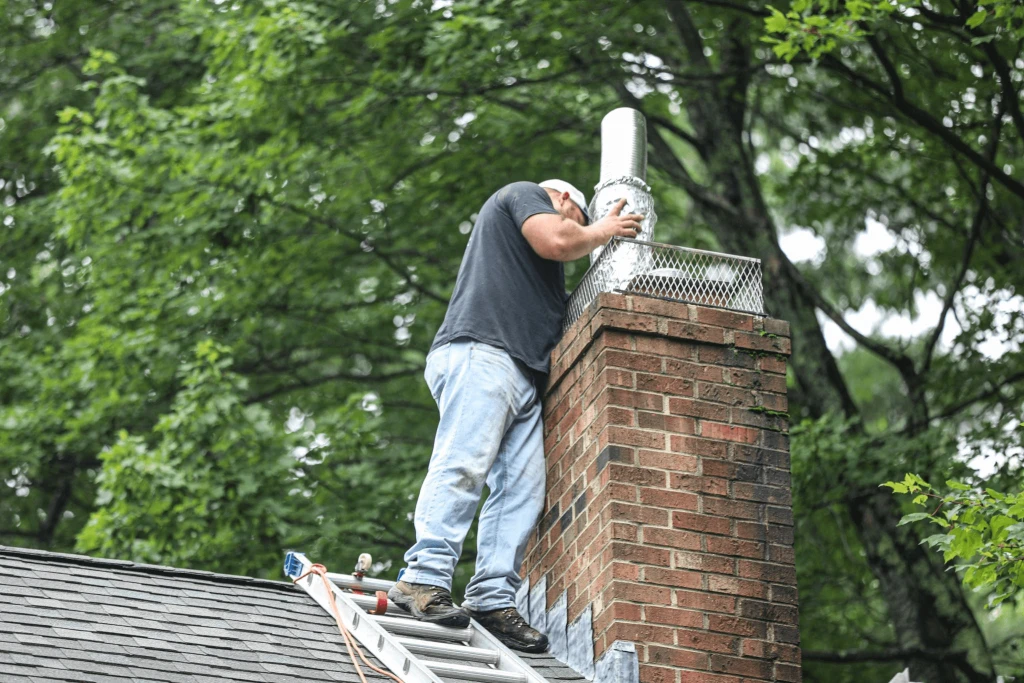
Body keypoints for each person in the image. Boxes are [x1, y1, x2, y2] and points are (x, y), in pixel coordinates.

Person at [387, 179, 644, 652]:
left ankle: (490, 597)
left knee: (522, 493)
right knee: (463, 464)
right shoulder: (523, 194)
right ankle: (422, 577)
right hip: (483, 352)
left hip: (523, 374)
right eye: (582, 221)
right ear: (565, 201)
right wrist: (605, 230)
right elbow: (558, 239)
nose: (581, 235)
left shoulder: (538, 273)